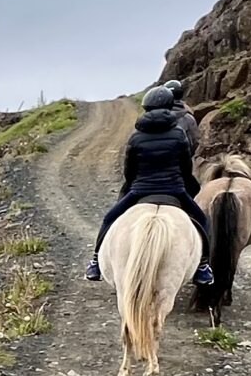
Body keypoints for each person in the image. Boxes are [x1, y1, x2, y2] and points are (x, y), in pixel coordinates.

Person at [85, 82, 214, 286]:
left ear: (146, 108)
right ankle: (203, 267)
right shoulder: (179, 134)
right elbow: (185, 167)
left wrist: (131, 186)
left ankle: (95, 262)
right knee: (202, 220)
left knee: (109, 218)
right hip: (175, 191)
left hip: (140, 190)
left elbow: (129, 170)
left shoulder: (136, 137)